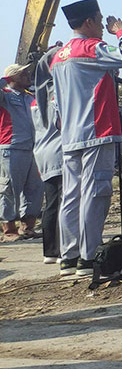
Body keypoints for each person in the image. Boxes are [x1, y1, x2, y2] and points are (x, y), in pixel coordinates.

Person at [49, 0, 122, 277]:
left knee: (71, 196)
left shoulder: (59, 56)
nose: (103, 26)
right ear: (88, 22)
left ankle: (69, 255)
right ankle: (88, 258)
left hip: (71, 135)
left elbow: (56, 103)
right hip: (97, 131)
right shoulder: (91, 47)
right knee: (95, 193)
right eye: (101, 21)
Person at [1, 63, 42, 241]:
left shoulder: (30, 97)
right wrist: (5, 80)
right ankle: (9, 230)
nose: (27, 74)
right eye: (22, 72)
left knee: (35, 189)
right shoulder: (5, 96)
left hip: (33, 148)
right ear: (12, 77)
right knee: (9, 189)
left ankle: (28, 227)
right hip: (12, 148)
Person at [31, 51, 63, 262]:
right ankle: (60, 249)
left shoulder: (37, 97)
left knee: (51, 202)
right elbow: (62, 123)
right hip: (57, 151)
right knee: (62, 202)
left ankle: (50, 250)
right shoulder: (56, 93)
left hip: (42, 151)